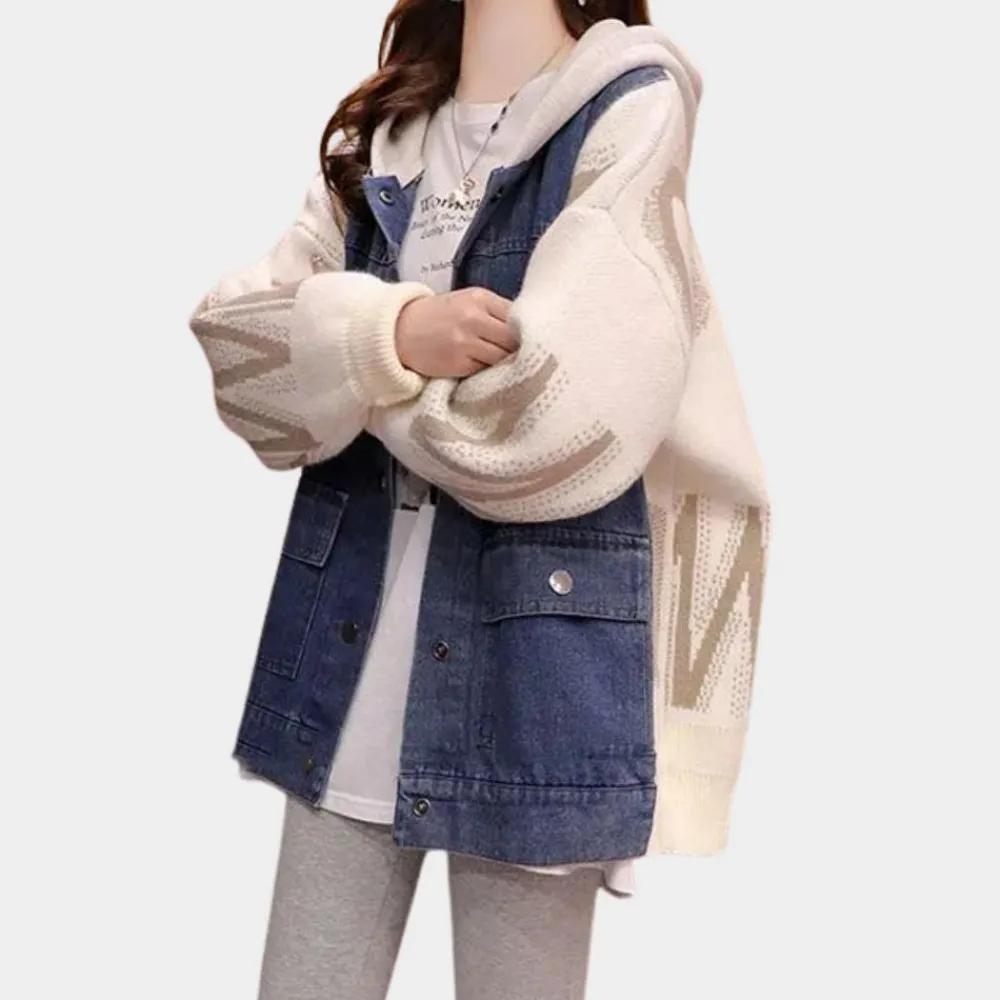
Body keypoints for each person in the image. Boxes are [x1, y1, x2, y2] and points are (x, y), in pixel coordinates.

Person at [188, 1, 769, 997]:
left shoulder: (629, 110)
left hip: (535, 678)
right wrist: (396, 335)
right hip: (343, 666)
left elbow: (560, 422)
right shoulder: (387, 134)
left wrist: (348, 371)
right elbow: (239, 356)